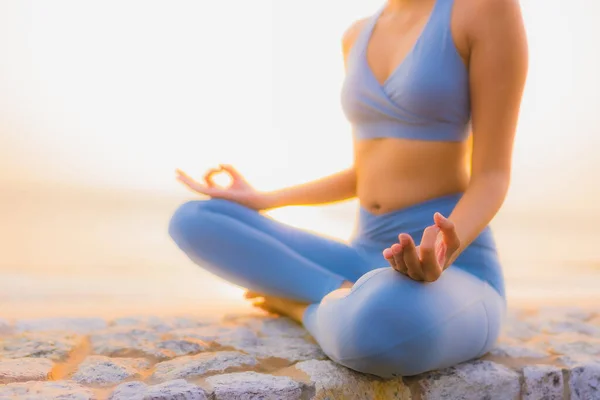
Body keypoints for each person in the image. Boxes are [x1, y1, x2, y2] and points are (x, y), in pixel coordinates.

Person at [169, 0, 528, 378]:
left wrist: (442, 248)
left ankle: (298, 307)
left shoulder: (485, 10)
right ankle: (337, 292)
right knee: (195, 219)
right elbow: (366, 173)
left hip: (454, 269)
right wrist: (265, 199)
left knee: (376, 327)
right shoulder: (356, 35)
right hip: (364, 258)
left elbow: (492, 176)